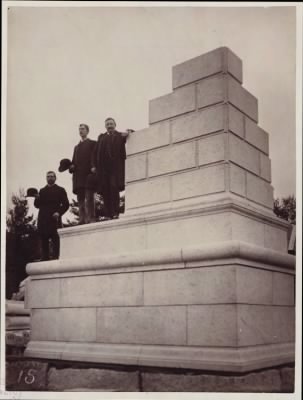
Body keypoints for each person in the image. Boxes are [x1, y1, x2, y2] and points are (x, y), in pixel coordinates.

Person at [92, 118, 131, 220]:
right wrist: (94, 166)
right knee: (105, 190)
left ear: (115, 125)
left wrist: (129, 132)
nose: (109, 126)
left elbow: (132, 134)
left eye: (111, 124)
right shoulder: (101, 138)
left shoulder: (120, 136)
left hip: (115, 168)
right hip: (103, 169)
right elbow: (95, 152)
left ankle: (115, 212)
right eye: (107, 124)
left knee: (114, 188)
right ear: (105, 126)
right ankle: (108, 214)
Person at [34, 171, 69, 261]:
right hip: (43, 218)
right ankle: (44, 257)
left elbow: (66, 204)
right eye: (48, 176)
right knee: (43, 239)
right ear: (46, 178)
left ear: (55, 178)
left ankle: (56, 257)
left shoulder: (60, 190)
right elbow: (37, 205)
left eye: (52, 176)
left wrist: (59, 212)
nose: (50, 178)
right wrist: (37, 198)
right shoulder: (42, 191)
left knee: (55, 239)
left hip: (54, 219)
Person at [69, 124, 97, 224]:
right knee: (80, 200)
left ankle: (91, 218)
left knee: (89, 198)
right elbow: (73, 162)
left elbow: (95, 158)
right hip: (78, 177)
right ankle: (82, 219)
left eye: (83, 129)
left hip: (88, 176)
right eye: (79, 129)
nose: (81, 131)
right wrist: (71, 167)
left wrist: (94, 168)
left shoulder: (92, 143)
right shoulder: (76, 147)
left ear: (87, 131)